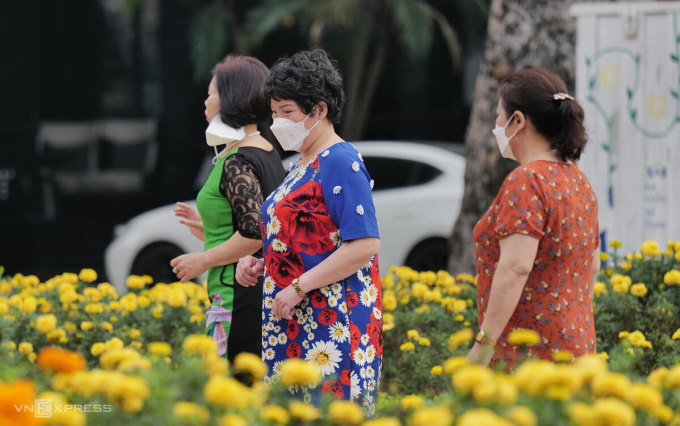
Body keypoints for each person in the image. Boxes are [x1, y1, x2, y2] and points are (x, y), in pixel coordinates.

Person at [235, 48, 382, 414]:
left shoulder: (340, 161)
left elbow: (364, 244)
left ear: (319, 110)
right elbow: (299, 237)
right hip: (295, 320)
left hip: (329, 324)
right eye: (274, 113)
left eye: (288, 112)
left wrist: (298, 286)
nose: (278, 122)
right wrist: (258, 261)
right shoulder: (303, 164)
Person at [466, 68, 600, 368]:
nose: (496, 125)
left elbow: (515, 267)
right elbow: (592, 266)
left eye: (499, 116)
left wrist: (484, 344)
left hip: (529, 353)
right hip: (576, 345)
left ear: (518, 121)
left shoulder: (527, 181)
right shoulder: (579, 181)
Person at [170, 55, 286, 363]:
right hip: (254, 289)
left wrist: (202, 261)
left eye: (211, 93)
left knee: (238, 394)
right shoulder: (264, 149)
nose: (206, 101)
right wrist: (205, 227)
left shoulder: (238, 160)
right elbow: (246, 227)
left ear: (230, 100)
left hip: (239, 296)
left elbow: (255, 234)